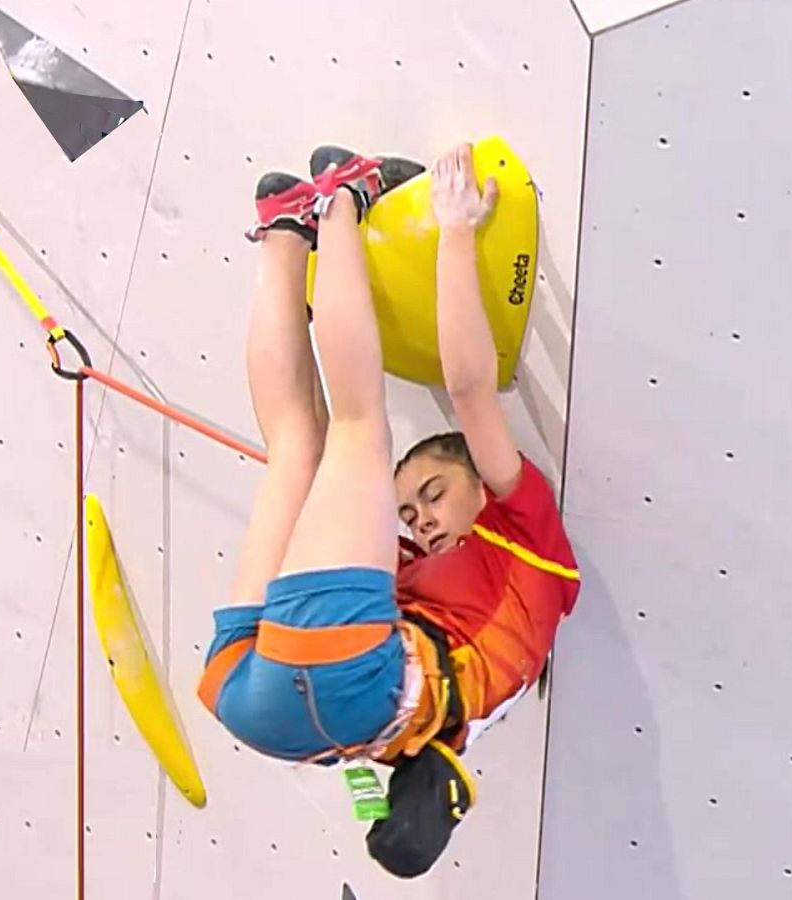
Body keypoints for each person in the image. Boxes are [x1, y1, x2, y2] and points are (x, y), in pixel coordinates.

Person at [196, 141, 581, 879]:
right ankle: (285, 234)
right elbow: (472, 387)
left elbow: (466, 396)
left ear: (473, 483)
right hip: (259, 710)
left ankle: (343, 198)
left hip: (343, 688)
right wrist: (456, 232)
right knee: (301, 449)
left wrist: (454, 229)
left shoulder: (467, 575)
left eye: (430, 496)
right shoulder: (530, 539)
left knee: (354, 427)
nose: (419, 522)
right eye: (411, 507)